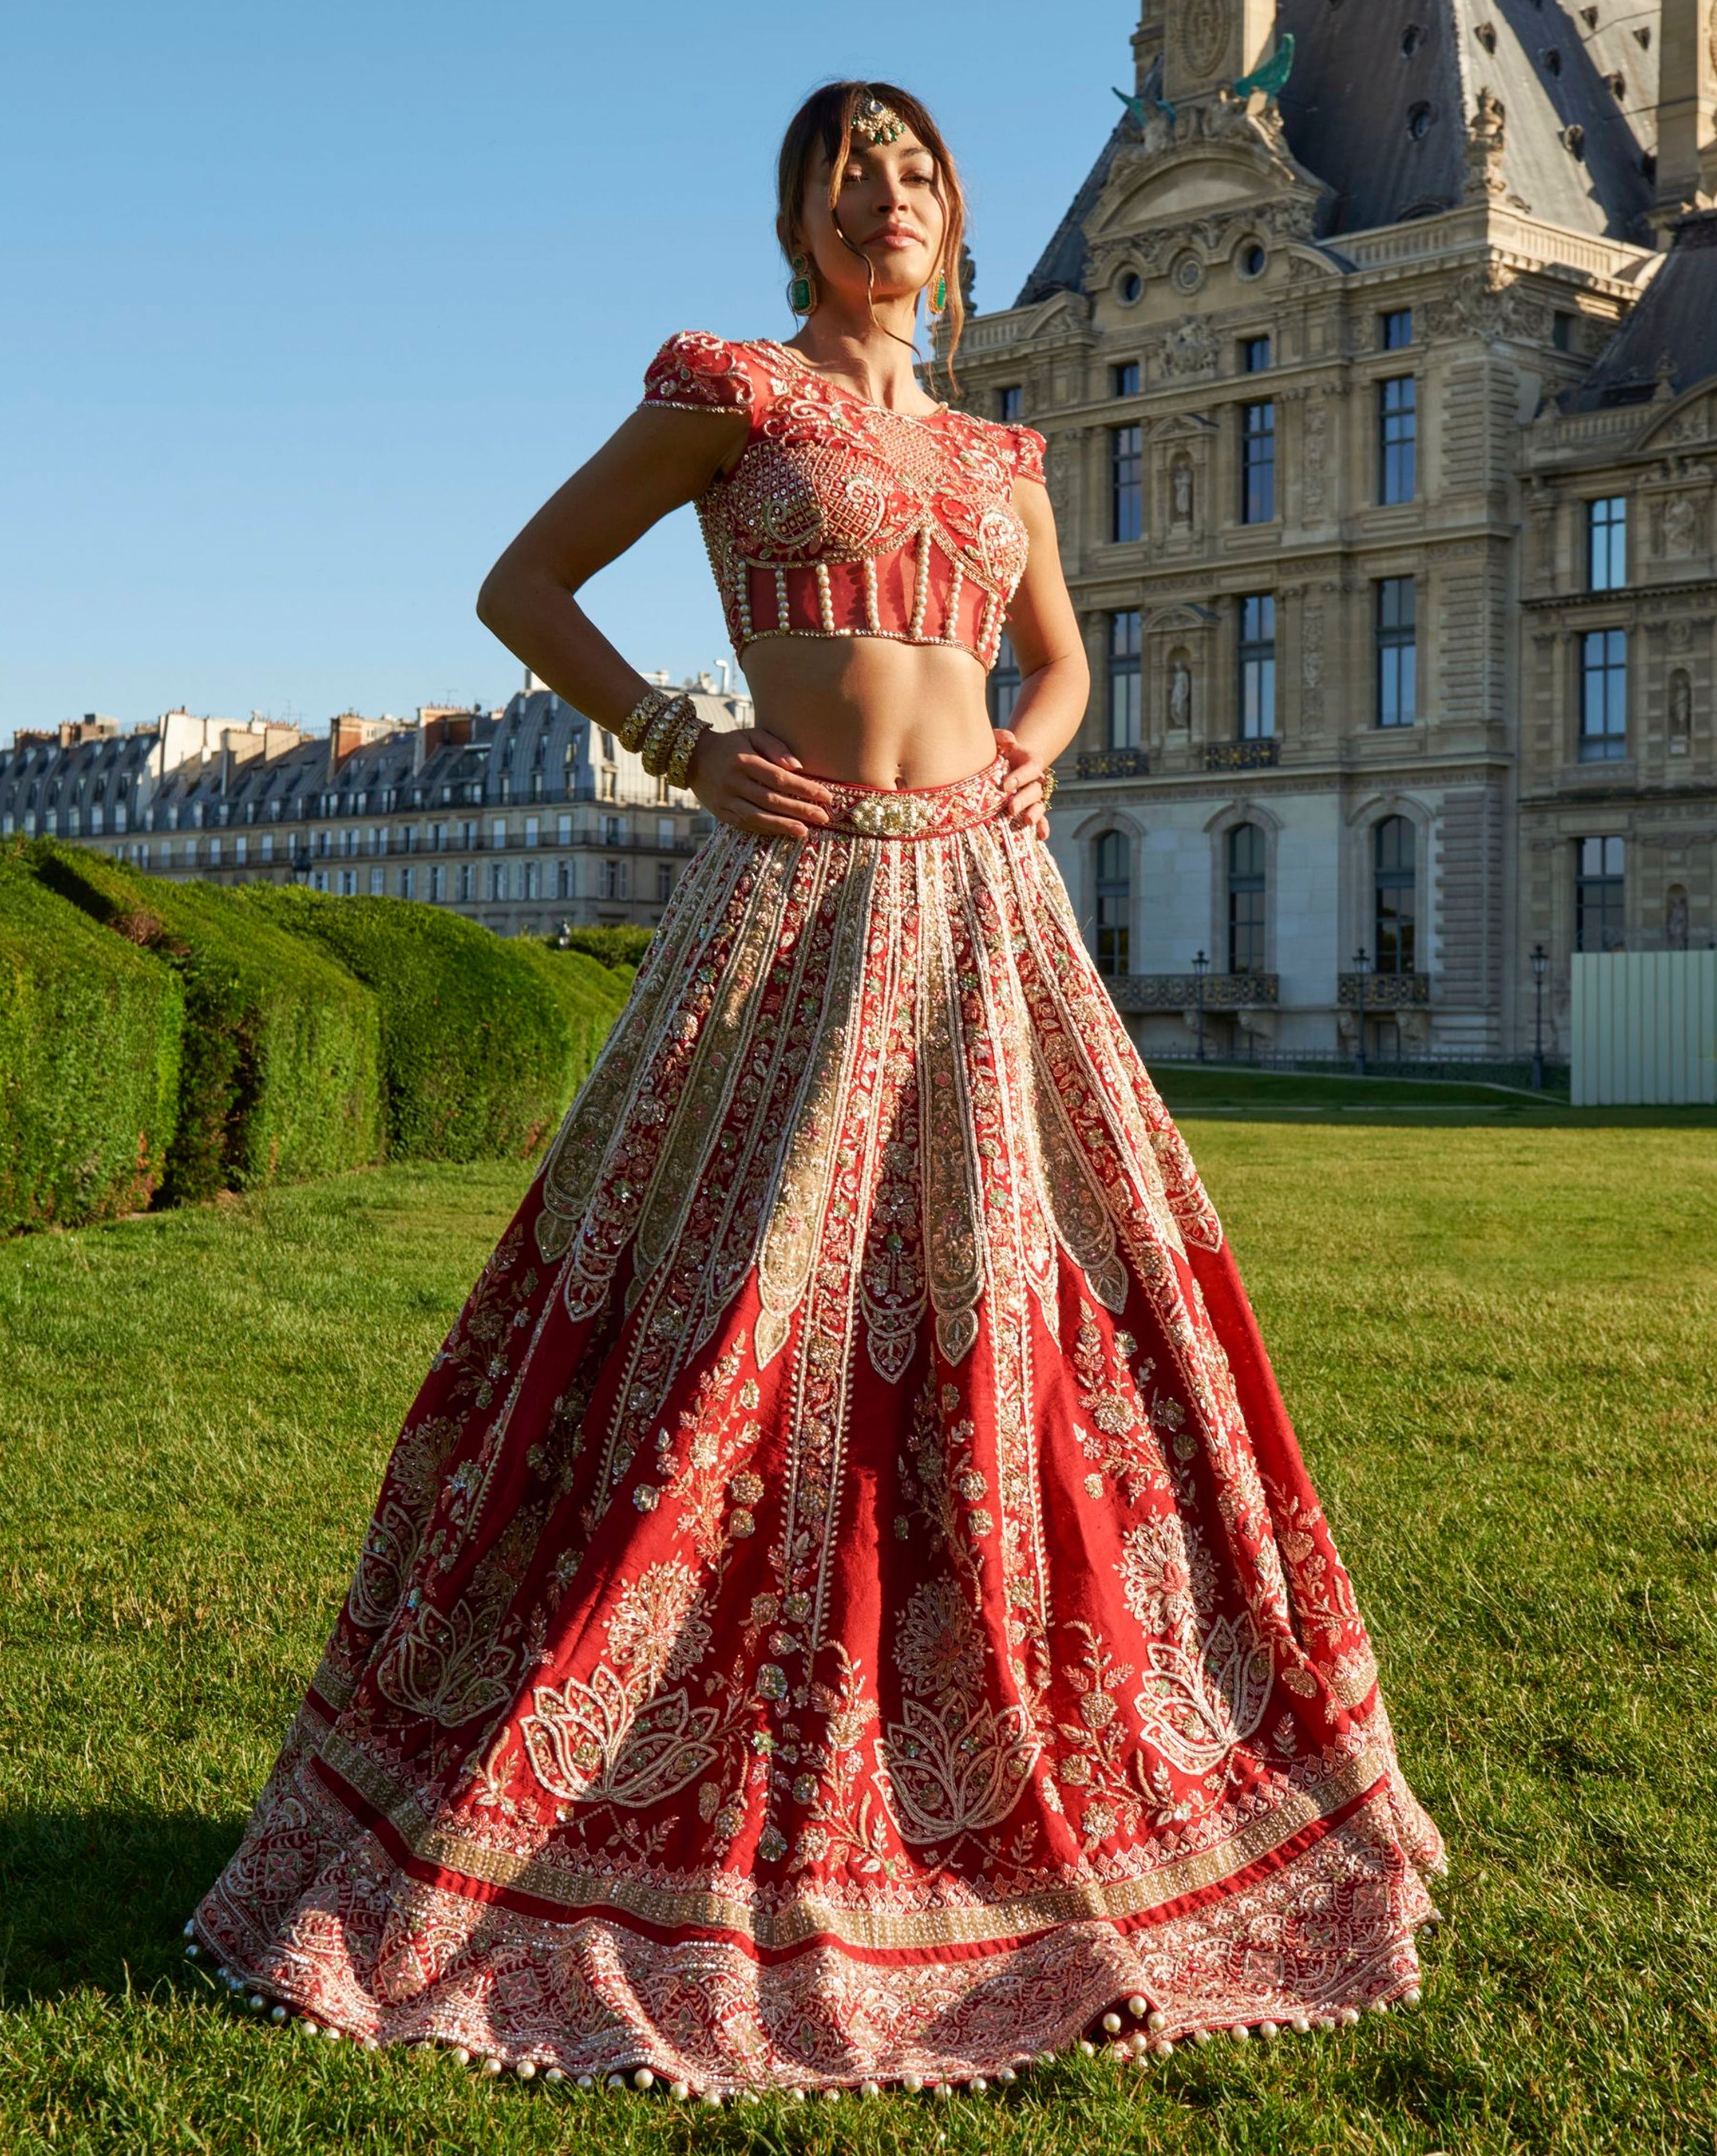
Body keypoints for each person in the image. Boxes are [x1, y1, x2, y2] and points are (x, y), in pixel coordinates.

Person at [187, 77, 1443, 2101]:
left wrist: (1036, 750)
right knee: (722, 1327)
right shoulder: (737, 394)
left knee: (1018, 1333)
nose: (892, 197)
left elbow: (1062, 658)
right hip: (793, 894)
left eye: (921, 169)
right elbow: (526, 586)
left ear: (955, 217)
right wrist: (683, 747)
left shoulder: (998, 446)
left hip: (983, 912)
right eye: (853, 173)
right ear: (798, 215)